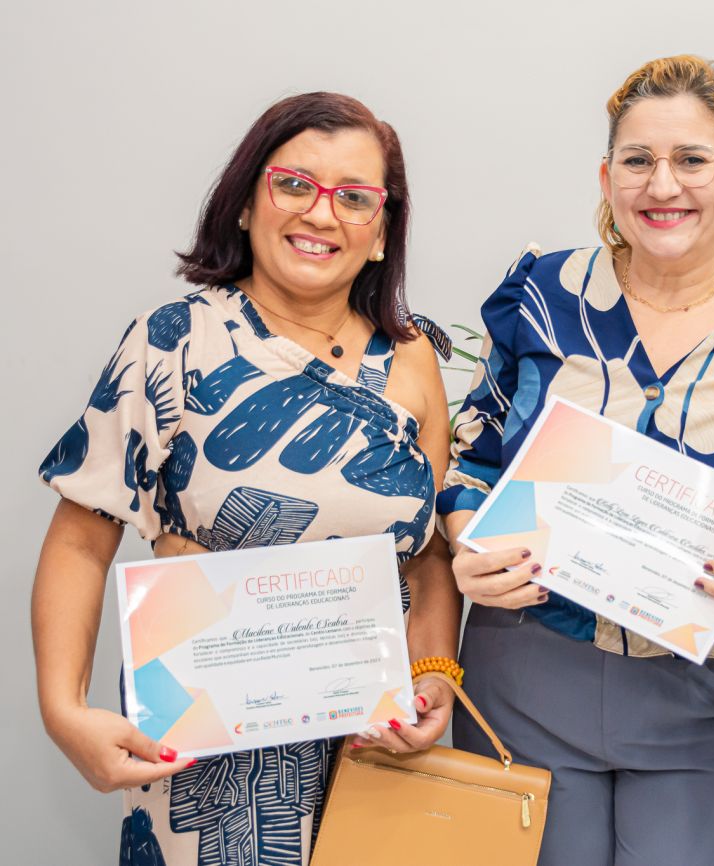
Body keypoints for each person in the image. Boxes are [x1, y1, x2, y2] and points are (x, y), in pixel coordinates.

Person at [436, 55, 714, 865]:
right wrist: (468, 540)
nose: (662, 185)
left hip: (709, 696)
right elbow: (475, 449)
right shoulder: (542, 294)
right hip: (526, 670)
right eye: (638, 160)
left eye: (692, 160)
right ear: (607, 178)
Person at [33, 92, 462, 866]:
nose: (320, 213)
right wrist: (63, 711)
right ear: (243, 203)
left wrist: (434, 673)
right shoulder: (175, 342)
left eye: (354, 197)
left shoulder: (413, 359)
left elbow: (428, 554)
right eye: (293, 184)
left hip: (374, 756)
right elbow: (79, 541)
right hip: (209, 772)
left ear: (381, 232)